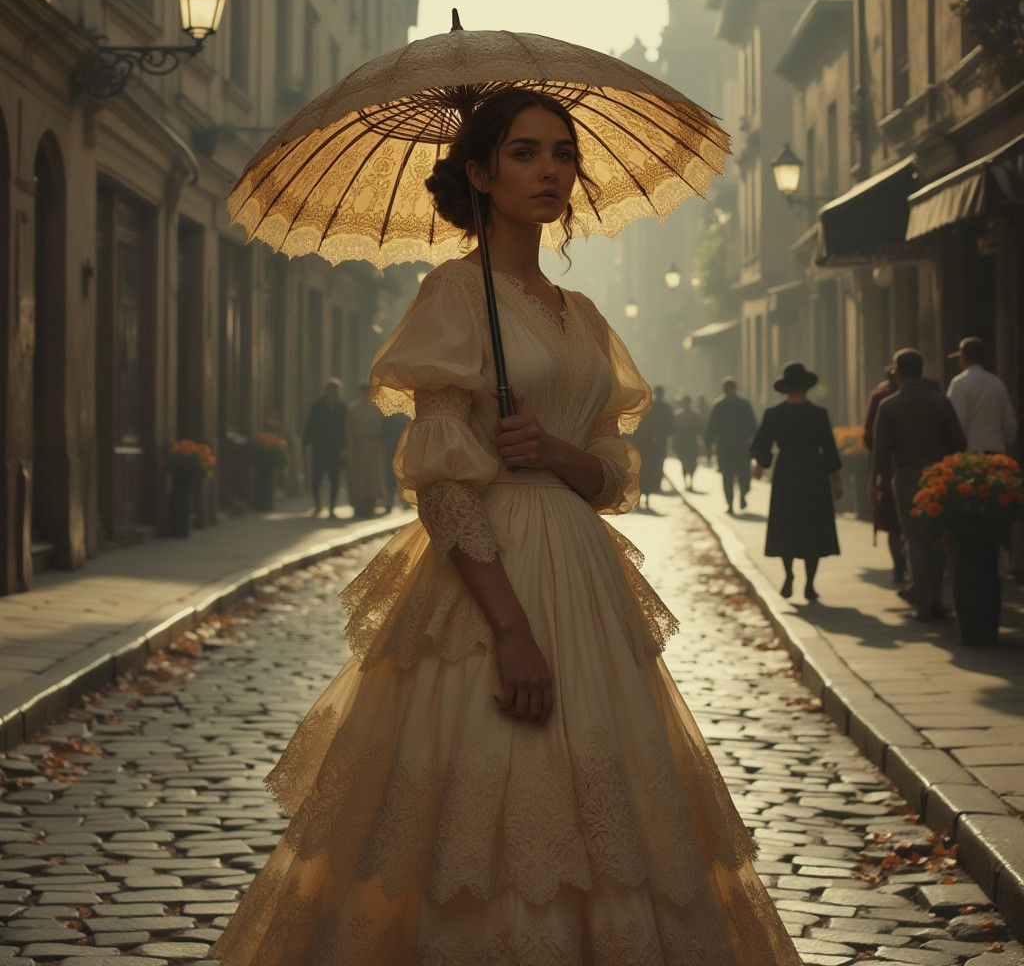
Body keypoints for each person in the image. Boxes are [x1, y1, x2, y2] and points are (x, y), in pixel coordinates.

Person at [210, 88, 801, 965]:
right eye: (524, 153)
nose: (550, 171)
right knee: (480, 813)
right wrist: (513, 630)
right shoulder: (452, 293)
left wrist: (556, 451)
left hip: (584, 579)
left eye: (562, 153)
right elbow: (442, 485)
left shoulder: (585, 316)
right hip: (489, 585)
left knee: (613, 812)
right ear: (479, 174)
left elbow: (610, 474)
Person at [870, 348, 966, 622]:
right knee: (937, 538)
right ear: (922, 372)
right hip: (938, 478)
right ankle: (935, 598)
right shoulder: (941, 402)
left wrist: (875, 482)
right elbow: (959, 442)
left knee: (914, 540)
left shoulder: (889, 405)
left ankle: (923, 602)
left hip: (907, 477)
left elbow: (881, 450)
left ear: (898, 373)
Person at [750, 362, 842, 601]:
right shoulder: (818, 414)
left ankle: (789, 574)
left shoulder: (774, 414)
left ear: (786, 387)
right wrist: (836, 479)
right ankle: (810, 583)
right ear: (806, 387)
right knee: (814, 527)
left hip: (787, 473)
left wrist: (761, 465)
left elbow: (763, 443)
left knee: (786, 526)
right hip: (814, 472)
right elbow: (829, 448)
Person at [863, 366, 905, 583]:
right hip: (928, 469)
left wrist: (874, 475)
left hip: (890, 470)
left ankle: (899, 566)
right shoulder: (934, 395)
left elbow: (871, 439)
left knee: (893, 524)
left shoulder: (882, 398)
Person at [946, 336, 1018, 454]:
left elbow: (957, 422)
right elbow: (1010, 423)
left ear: (963, 357)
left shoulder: (959, 383)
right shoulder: (997, 383)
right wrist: (1007, 445)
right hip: (997, 451)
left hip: (971, 452)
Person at [704, 376, 757, 514]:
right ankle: (730, 503)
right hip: (728, 447)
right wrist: (708, 445)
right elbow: (711, 428)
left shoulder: (743, 405)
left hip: (739, 446)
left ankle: (743, 495)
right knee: (729, 476)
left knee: (743, 475)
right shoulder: (719, 406)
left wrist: (708, 445)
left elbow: (753, 427)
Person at [301, 377, 347, 518]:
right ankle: (318, 505)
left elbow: (345, 429)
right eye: (330, 389)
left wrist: (344, 446)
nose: (332, 392)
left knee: (334, 479)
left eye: (335, 389)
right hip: (319, 447)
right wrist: (306, 444)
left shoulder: (342, 407)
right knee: (316, 478)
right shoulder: (317, 406)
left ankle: (332, 507)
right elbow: (310, 426)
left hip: (335, 448)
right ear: (325, 390)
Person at [346, 384, 387, 517]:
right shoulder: (353, 409)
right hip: (358, 445)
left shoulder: (378, 409)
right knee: (358, 477)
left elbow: (383, 428)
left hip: (374, 446)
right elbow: (348, 429)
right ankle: (358, 506)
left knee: (373, 477)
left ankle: (371, 505)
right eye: (364, 391)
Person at [381, 407, 411, 513]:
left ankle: (400, 502)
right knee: (395, 478)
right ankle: (394, 502)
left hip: (398, 451)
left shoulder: (391, 417)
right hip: (394, 451)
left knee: (398, 478)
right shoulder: (402, 417)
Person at [673, 394, 702, 490]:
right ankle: (687, 482)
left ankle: (690, 481)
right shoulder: (678, 416)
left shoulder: (694, 415)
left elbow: (700, 430)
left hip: (690, 443)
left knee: (692, 463)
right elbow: (675, 431)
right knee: (685, 463)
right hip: (684, 444)